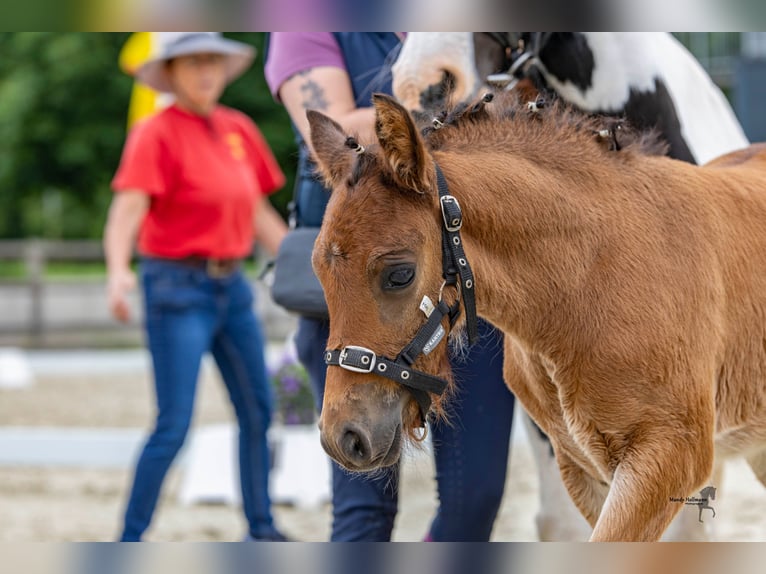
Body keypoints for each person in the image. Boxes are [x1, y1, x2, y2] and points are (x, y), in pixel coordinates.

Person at [264, 32, 516, 541]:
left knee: (476, 500)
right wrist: (476, 113)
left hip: (464, 288)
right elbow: (335, 128)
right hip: (356, 295)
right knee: (363, 504)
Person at [104, 32, 289, 542]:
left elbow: (257, 213)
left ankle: (262, 527)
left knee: (258, 410)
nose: (205, 72)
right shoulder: (155, 132)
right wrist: (118, 270)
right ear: (172, 73)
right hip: (176, 288)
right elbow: (127, 209)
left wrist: (308, 266)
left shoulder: (238, 129)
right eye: (193, 64)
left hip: (232, 290)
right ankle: (130, 540)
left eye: (212, 62)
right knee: (174, 423)